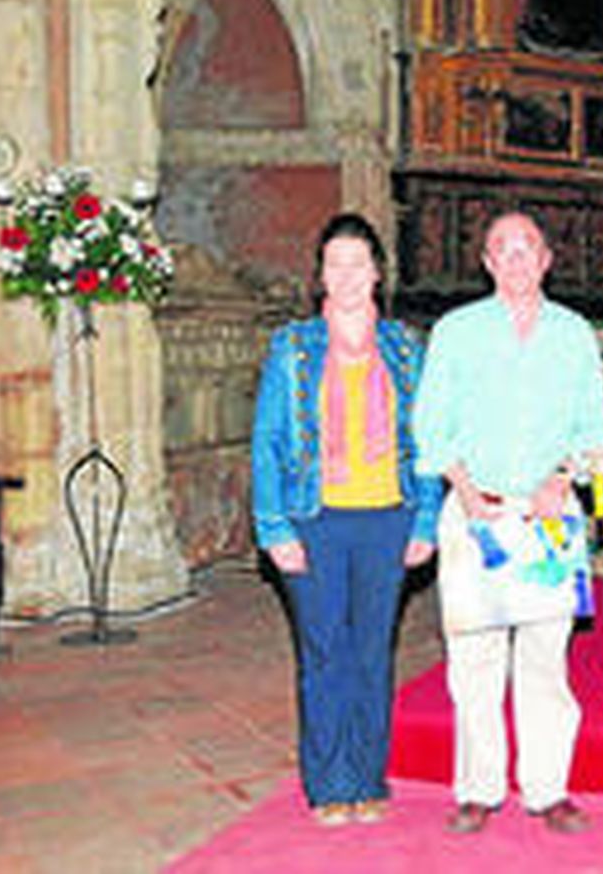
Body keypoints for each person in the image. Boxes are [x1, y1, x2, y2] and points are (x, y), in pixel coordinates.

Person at [412, 212, 603, 833]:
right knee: (474, 656)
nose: (516, 259)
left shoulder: (573, 333)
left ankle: (548, 788)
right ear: (487, 263)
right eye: (503, 249)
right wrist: (466, 491)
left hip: (547, 514)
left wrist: (562, 476)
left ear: (547, 259)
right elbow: (431, 424)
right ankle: (477, 787)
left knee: (546, 656)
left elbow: (593, 424)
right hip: (476, 510)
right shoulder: (456, 331)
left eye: (527, 248)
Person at [250, 213, 441, 826]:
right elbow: (268, 439)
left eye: (358, 262)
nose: (348, 274)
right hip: (316, 517)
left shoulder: (407, 348)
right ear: (320, 276)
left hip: (389, 516)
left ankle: (366, 776)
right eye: (336, 263)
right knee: (325, 651)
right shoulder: (294, 346)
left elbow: (430, 438)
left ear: (378, 273)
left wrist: (426, 520)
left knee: (371, 653)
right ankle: (328, 782)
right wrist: (274, 526)